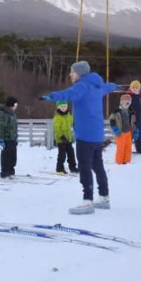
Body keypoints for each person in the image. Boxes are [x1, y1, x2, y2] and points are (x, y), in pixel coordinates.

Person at [40, 61, 118, 214]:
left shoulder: (82, 86)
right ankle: (104, 197)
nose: (70, 74)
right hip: (97, 136)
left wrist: (52, 96)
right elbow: (109, 86)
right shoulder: (97, 86)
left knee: (84, 167)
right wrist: (116, 86)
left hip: (85, 136)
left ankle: (87, 200)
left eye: (72, 72)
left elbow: (69, 94)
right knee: (98, 166)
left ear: (80, 74)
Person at [109, 94, 136, 165]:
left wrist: (135, 131)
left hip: (129, 133)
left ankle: (127, 162)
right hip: (120, 133)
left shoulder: (131, 111)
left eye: (128, 102)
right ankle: (119, 162)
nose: (126, 104)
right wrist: (115, 129)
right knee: (120, 149)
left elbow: (134, 122)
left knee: (128, 148)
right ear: (121, 102)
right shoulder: (116, 111)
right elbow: (111, 120)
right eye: (124, 102)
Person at [0, 96, 18, 179]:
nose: (16, 107)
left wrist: (16, 137)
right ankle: (5, 171)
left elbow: (14, 127)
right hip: (6, 138)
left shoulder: (13, 114)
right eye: (15, 105)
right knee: (6, 156)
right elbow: (1, 127)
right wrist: (1, 139)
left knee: (13, 156)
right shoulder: (4, 114)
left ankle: (11, 170)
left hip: (12, 138)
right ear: (11, 105)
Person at [53, 101, 78, 175]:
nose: (63, 108)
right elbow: (57, 128)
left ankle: (73, 167)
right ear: (59, 107)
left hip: (69, 138)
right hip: (61, 139)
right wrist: (61, 136)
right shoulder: (57, 117)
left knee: (71, 153)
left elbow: (73, 123)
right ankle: (59, 168)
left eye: (65, 106)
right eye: (62, 107)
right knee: (62, 154)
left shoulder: (69, 116)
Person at [128, 80, 141, 154]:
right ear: (131, 88)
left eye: (137, 87)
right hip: (130, 119)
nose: (135, 89)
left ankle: (139, 149)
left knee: (139, 134)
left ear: (139, 89)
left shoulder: (140, 97)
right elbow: (124, 107)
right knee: (129, 135)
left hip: (138, 119)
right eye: (133, 87)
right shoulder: (128, 96)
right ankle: (126, 149)